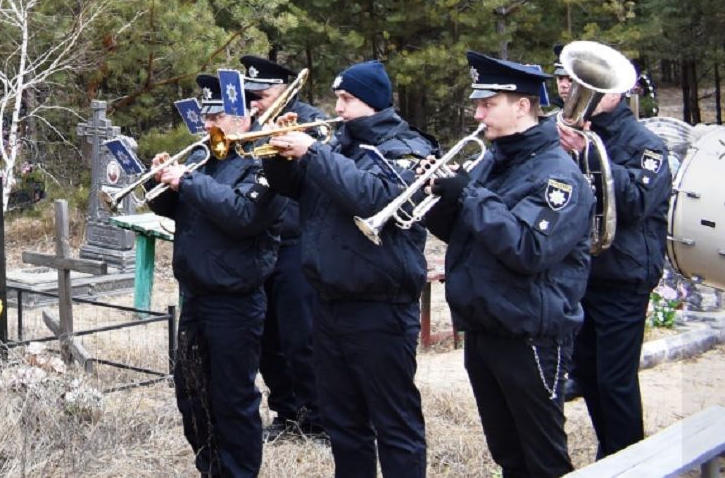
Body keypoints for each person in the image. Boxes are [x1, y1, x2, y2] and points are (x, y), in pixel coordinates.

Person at [423, 52, 593, 478]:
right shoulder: (492, 160)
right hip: (485, 324)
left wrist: (468, 196)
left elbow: (528, 248)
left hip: (528, 333)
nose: (478, 114)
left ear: (522, 106)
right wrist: (435, 201)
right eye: (478, 104)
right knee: (506, 451)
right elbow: (469, 234)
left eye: (488, 104)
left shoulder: (558, 175)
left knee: (543, 457)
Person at [264, 60, 433, 477]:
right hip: (329, 303)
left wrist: (313, 151)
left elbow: (372, 196)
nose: (338, 108)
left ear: (374, 102)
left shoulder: (407, 147)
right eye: (337, 98)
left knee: (395, 423)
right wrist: (280, 155)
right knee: (344, 424)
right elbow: (292, 189)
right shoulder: (338, 145)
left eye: (347, 99)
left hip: (380, 307)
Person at [148, 74, 286, 477]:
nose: (209, 124)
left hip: (235, 301)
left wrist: (188, 181)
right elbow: (181, 211)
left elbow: (244, 216)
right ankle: (210, 469)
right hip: (196, 294)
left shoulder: (265, 159)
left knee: (233, 397)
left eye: (218, 115)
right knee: (192, 394)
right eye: (207, 114)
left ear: (242, 118)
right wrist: (164, 182)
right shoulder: (206, 159)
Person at [556, 65, 672, 459]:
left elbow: (638, 203)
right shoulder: (575, 135)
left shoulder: (646, 144)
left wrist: (588, 151)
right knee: (587, 373)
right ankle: (611, 455)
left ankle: (629, 460)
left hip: (624, 277)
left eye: (596, 88)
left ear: (618, 92)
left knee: (615, 380)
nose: (579, 91)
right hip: (583, 274)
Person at [239, 55, 327, 441]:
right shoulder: (252, 124)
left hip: (298, 241)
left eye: (261, 94)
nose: (254, 102)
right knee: (268, 337)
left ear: (284, 90)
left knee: (301, 336)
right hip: (263, 242)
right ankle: (286, 412)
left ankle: (318, 417)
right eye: (250, 95)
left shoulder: (310, 121)